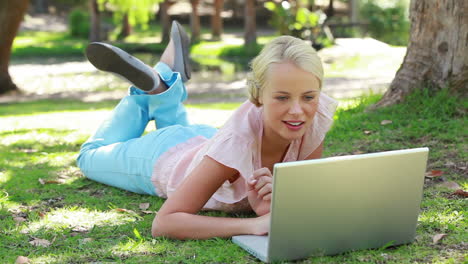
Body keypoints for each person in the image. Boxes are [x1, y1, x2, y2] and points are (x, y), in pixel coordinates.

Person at [77, 21, 338, 240]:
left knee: (194, 136)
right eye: (282, 98)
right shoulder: (238, 143)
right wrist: (252, 225)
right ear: (258, 97)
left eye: (308, 97)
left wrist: (277, 204)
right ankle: (151, 90)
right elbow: (164, 223)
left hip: (203, 141)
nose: (297, 111)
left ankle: (165, 83)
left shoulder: (313, 116)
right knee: (89, 156)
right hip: (160, 157)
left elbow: (302, 194)